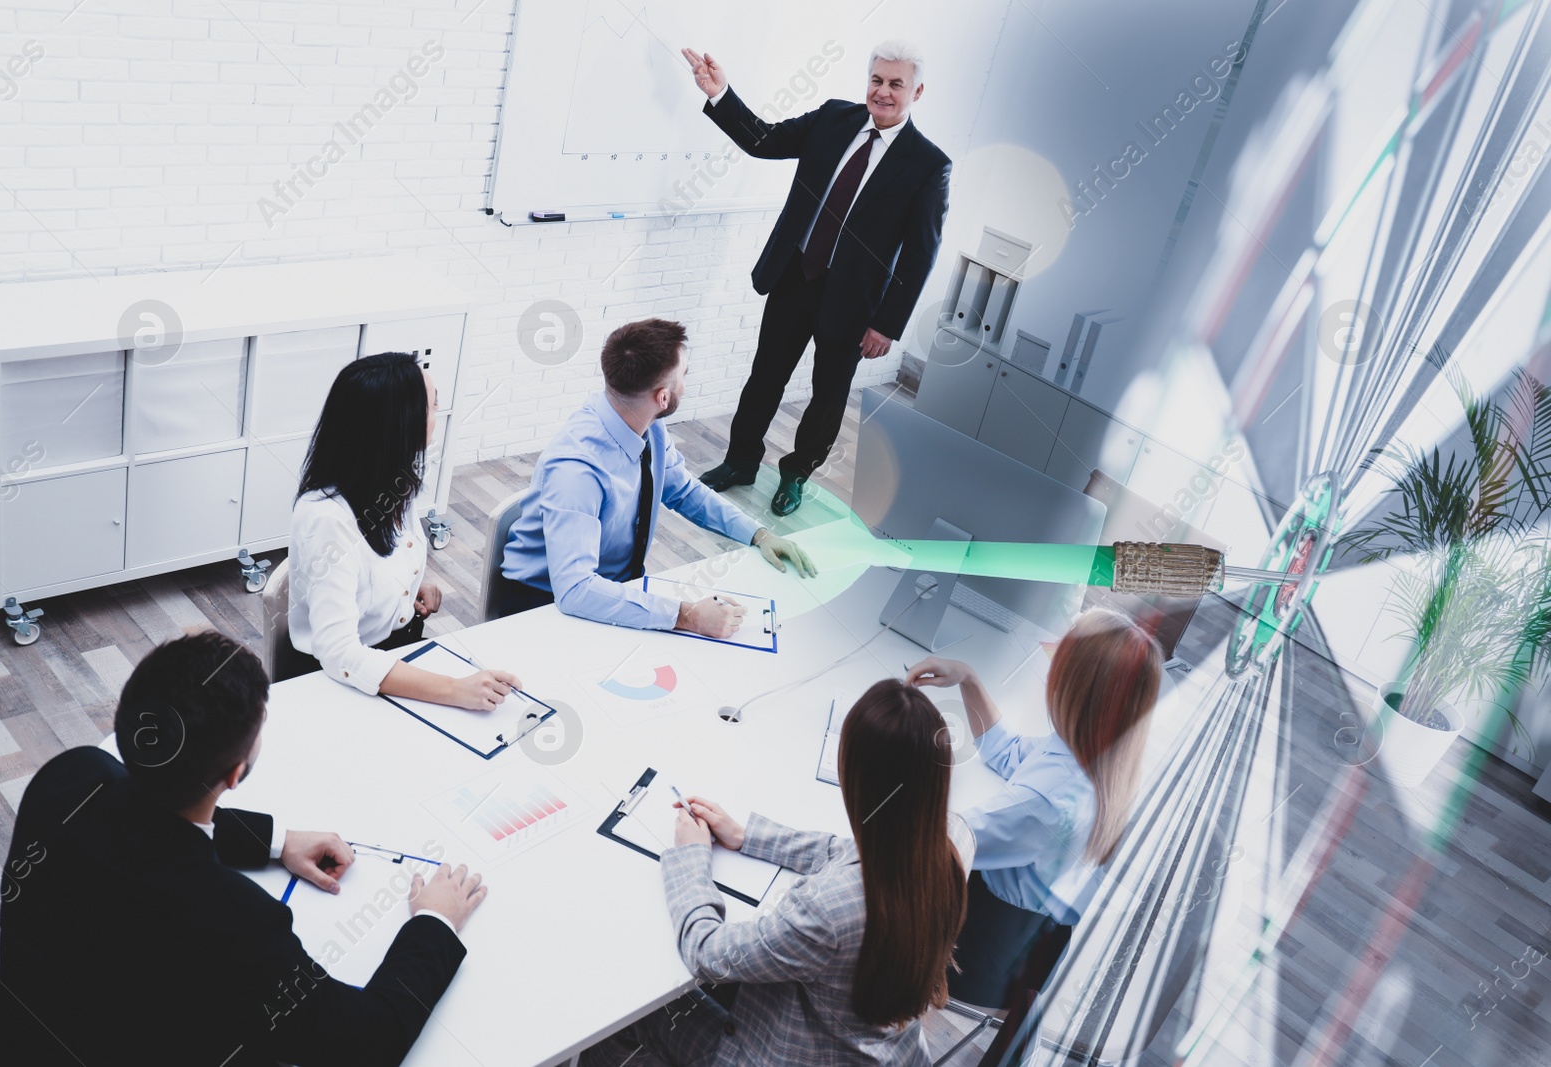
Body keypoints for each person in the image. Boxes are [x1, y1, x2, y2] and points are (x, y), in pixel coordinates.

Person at [0, 631, 486, 1066]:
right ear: (237, 774)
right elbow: (367, 1041)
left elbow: (140, 809)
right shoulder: (236, 922)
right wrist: (434, 923)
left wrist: (278, 841)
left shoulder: (70, 777)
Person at [582, 678, 973, 1066]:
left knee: (618, 1020)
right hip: (885, 1051)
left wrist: (691, 857)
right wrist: (746, 836)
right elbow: (840, 850)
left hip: (789, 1055)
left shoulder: (826, 911)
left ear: (852, 771)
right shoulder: (950, 841)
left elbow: (706, 953)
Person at [683, 40, 951, 517]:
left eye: (896, 84)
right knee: (765, 377)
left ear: (917, 91)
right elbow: (763, 140)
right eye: (876, 80)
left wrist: (888, 324)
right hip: (796, 275)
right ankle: (740, 462)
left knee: (827, 398)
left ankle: (796, 475)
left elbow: (919, 255)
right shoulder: (833, 118)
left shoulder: (929, 165)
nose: (883, 92)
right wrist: (721, 93)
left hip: (854, 301)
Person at [908, 608, 1162, 1009]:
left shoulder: (1047, 801)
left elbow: (938, 842)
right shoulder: (1102, 755)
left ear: (1074, 688)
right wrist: (967, 677)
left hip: (973, 958)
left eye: (1058, 665)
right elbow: (1009, 753)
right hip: (1028, 948)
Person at [498, 317, 816, 636]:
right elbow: (575, 590)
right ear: (663, 397)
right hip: (543, 604)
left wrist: (758, 534)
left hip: (611, 587)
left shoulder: (648, 424)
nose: (686, 384)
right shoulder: (576, 470)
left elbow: (684, 491)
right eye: (684, 376)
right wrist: (687, 615)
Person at [287, 351, 520, 709]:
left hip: (396, 650)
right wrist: (457, 690)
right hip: (336, 680)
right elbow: (339, 654)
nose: (438, 413)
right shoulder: (327, 519)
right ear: (398, 423)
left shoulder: (394, 481)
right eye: (432, 406)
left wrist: (402, 591)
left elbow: (375, 563)